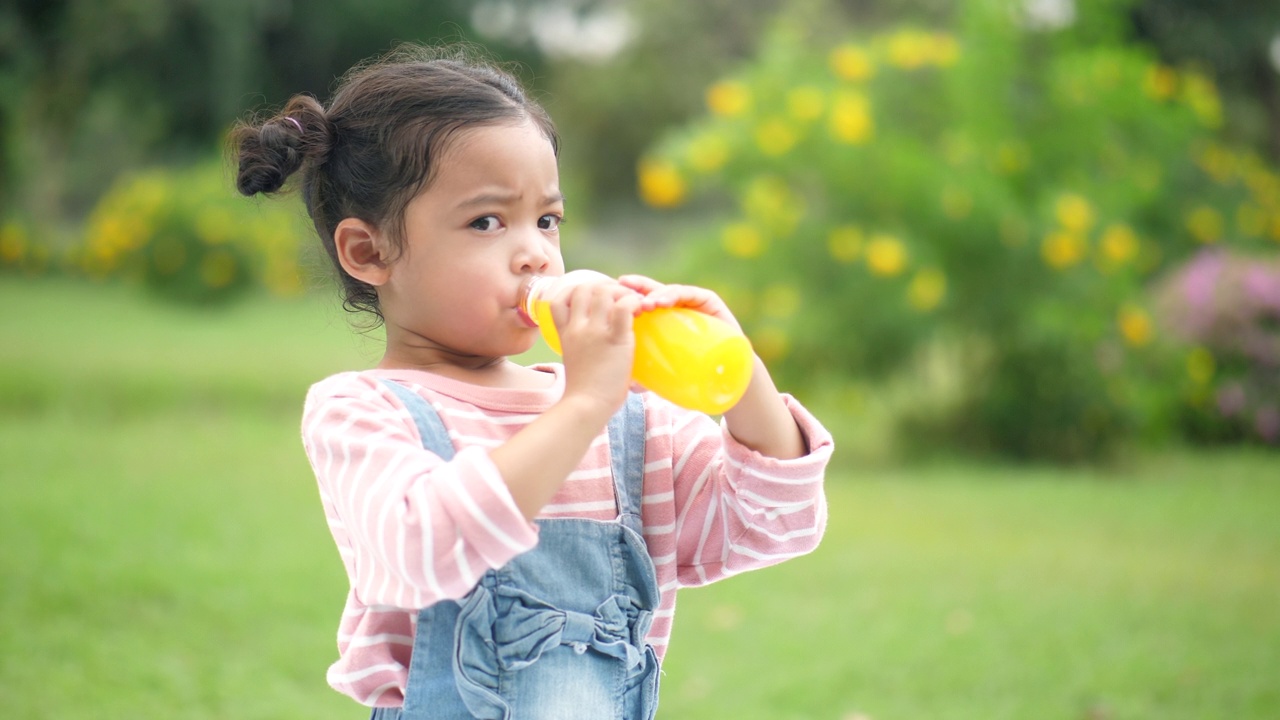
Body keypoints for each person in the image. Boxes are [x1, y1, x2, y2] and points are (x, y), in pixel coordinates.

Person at [232, 43, 832, 720]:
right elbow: (426, 549)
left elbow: (770, 522)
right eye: (486, 222)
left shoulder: (628, 417)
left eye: (547, 220)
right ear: (370, 252)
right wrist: (581, 405)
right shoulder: (363, 413)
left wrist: (739, 370)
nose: (535, 253)